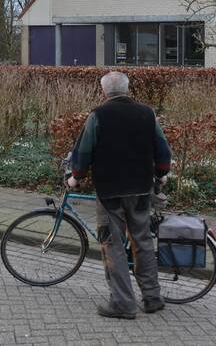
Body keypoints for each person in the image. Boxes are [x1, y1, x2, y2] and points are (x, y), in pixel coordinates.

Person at [68, 71, 172, 319]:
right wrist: (161, 173)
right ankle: (152, 298)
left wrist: (76, 177)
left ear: (104, 91)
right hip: (140, 188)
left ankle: (123, 304)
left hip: (110, 190)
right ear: (127, 89)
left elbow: (83, 152)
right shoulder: (147, 113)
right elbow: (163, 150)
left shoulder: (98, 115)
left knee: (112, 244)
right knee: (143, 241)